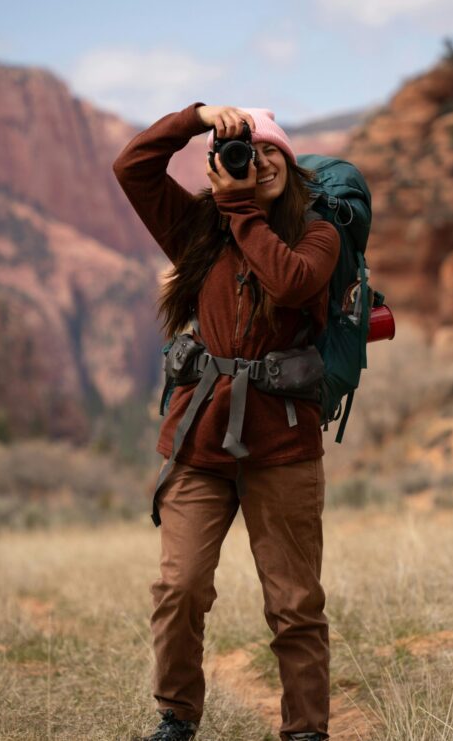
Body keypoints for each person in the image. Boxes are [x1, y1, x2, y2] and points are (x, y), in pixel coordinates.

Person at [112, 102, 341, 741]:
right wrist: (196, 116)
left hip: (284, 441)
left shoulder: (318, 234)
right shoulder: (196, 229)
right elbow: (131, 167)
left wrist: (240, 210)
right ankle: (177, 718)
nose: (257, 160)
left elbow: (292, 283)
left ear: (290, 167)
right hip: (200, 436)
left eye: (271, 151)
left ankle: (306, 730)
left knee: (294, 602)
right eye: (243, 151)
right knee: (179, 587)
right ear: (219, 165)